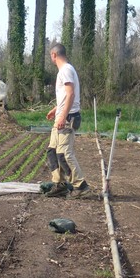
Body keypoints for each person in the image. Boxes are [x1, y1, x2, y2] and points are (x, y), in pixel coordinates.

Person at [44, 43, 92, 198]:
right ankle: (60, 184)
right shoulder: (65, 70)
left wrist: (63, 116)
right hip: (62, 115)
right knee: (52, 150)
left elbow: (71, 95)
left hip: (68, 118)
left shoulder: (65, 70)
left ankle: (81, 186)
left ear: (53, 55)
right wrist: (57, 109)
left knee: (64, 153)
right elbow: (65, 96)